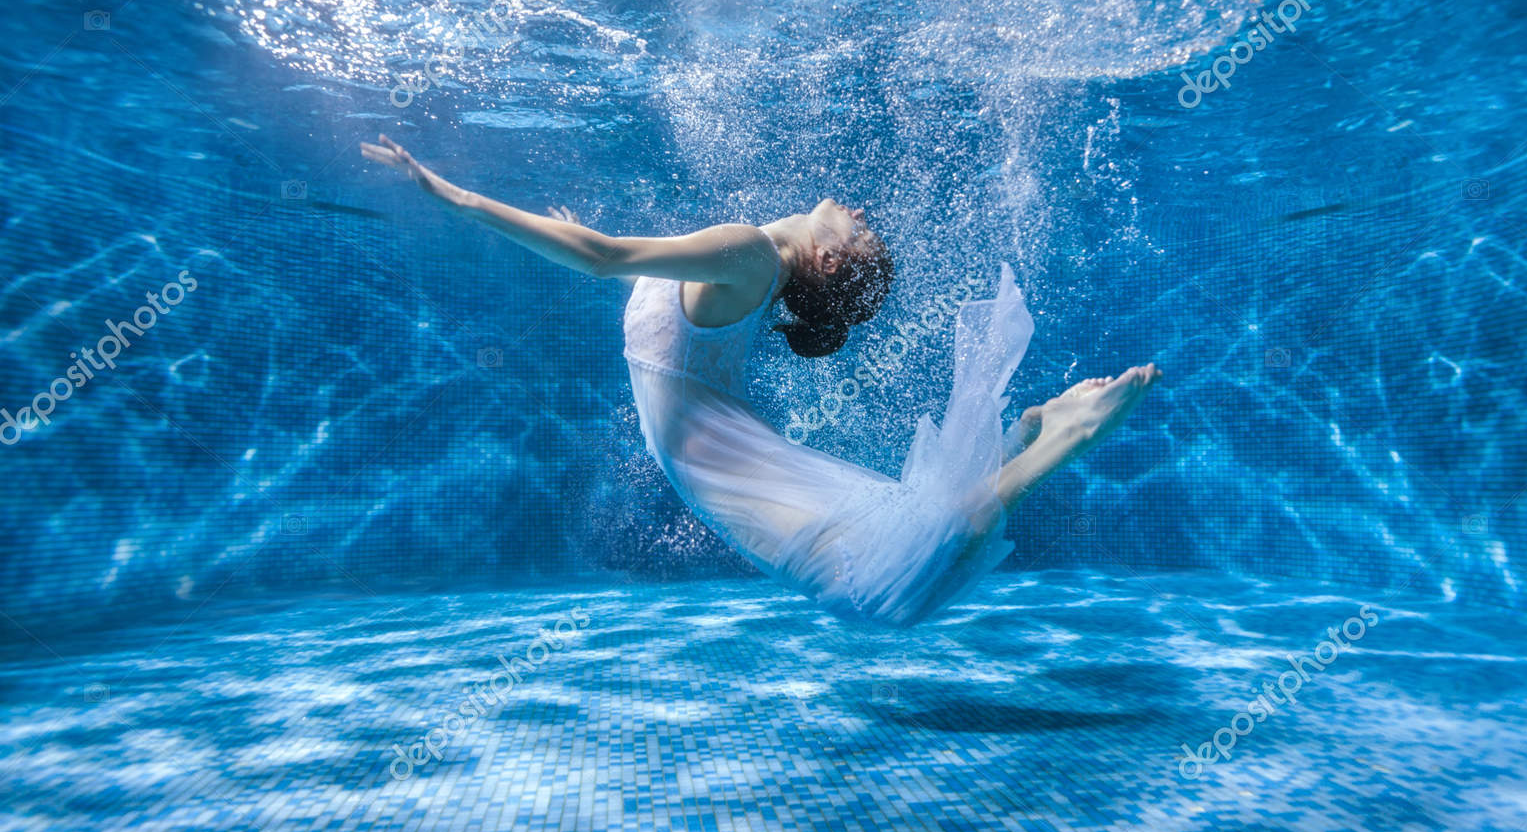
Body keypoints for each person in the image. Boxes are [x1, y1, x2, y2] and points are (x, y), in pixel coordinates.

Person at [362, 134, 1160, 625]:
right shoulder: (754, 267)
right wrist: (576, 234)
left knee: (883, 582)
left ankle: (1059, 437)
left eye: (861, 230)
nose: (856, 208)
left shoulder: (748, 253)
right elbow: (613, 259)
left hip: (714, 455)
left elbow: (604, 257)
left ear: (830, 257)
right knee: (887, 580)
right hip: (715, 448)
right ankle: (1026, 443)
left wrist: (452, 196)